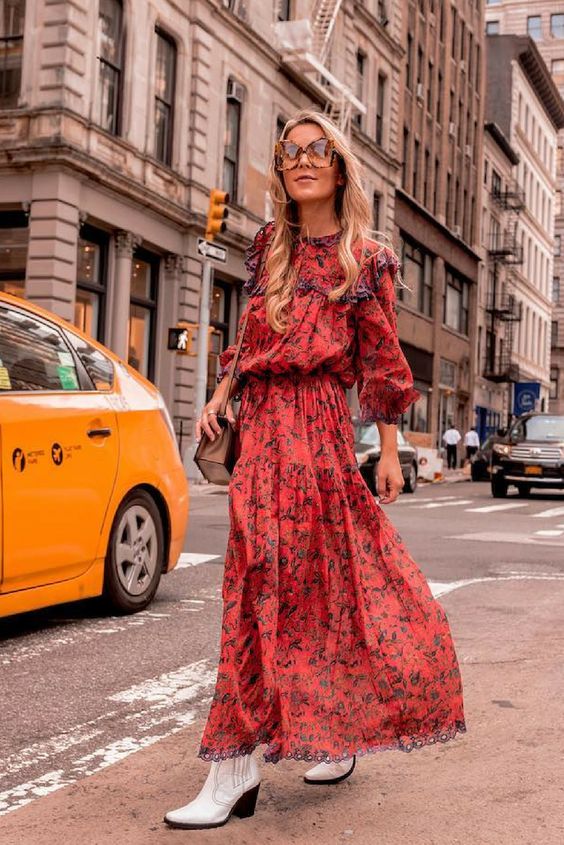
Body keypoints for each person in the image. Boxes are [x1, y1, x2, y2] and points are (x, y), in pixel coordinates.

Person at [164, 109, 466, 831]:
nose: (300, 161)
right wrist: (221, 392)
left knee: (327, 590)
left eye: (315, 150)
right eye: (289, 151)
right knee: (251, 586)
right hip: (263, 431)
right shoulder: (270, 246)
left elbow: (383, 361)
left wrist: (391, 449)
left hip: (321, 433)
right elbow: (248, 340)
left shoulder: (367, 259)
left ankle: (330, 728)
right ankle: (234, 762)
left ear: (339, 167)